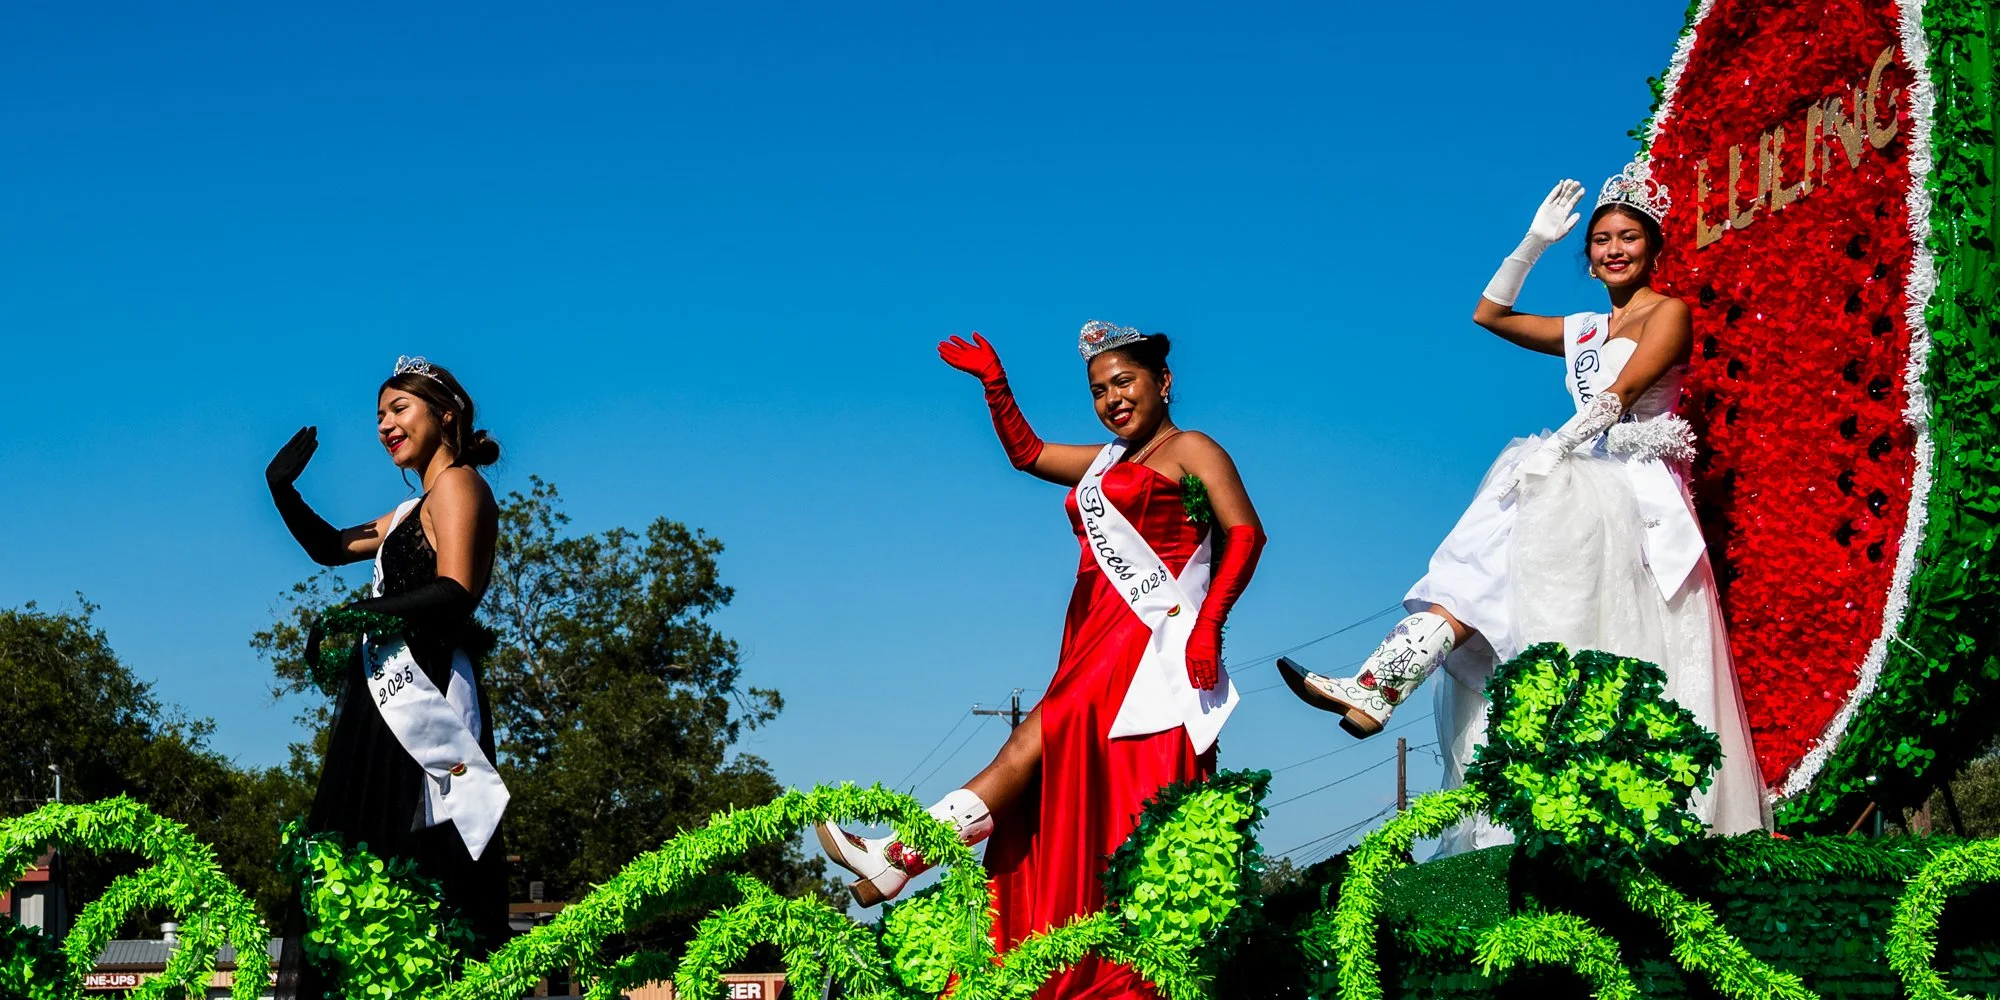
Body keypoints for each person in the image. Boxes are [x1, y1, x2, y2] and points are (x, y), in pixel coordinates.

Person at [1280, 165, 1767, 850]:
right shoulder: (1587, 326)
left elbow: (1621, 394)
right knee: (1493, 572)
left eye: (1629, 237)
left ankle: (1384, 684)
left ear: (1655, 249)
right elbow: (1490, 314)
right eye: (1600, 240)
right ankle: (1380, 683)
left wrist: (1559, 447)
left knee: (1525, 520)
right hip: (1585, 477)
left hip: (1638, 490)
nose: (1613, 249)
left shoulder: (1669, 312)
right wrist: (1533, 243)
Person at [818, 322, 1265, 996]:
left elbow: (1246, 533)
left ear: (1162, 383)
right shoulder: (1107, 461)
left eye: (1124, 382)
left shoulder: (1191, 448)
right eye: (1098, 390)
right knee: (1047, 768)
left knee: (1039, 738)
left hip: (1145, 640)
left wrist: (1208, 626)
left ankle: (900, 855)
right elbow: (1026, 454)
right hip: (1089, 631)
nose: (1111, 398)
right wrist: (997, 387)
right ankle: (904, 860)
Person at [267, 356, 510, 999]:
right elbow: (329, 548)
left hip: (427, 692)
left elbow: (455, 590)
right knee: (367, 861)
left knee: (426, 859)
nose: (385, 425)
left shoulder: (459, 486)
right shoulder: (409, 510)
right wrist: (282, 490)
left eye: (399, 408)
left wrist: (360, 612)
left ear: (445, 416)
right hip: (388, 696)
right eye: (378, 415)